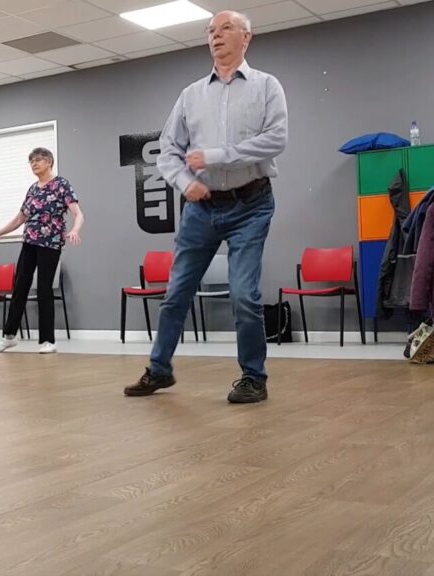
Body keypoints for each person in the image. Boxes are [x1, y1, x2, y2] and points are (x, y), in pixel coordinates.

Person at [124, 10, 288, 404]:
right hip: (201, 209)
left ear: (246, 38)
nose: (216, 36)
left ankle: (254, 377)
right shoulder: (190, 95)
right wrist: (185, 182)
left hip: (252, 204)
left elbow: (276, 139)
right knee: (176, 293)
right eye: (210, 31)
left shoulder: (267, 86)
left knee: (243, 295)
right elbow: (167, 151)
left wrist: (216, 155)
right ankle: (159, 370)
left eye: (225, 28)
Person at [0, 147, 84, 354]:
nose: (34, 164)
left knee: (44, 289)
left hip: (50, 243)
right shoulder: (33, 189)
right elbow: (19, 219)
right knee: (20, 287)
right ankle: (9, 336)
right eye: (31, 161)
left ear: (49, 162)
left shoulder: (61, 185)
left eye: (38, 160)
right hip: (29, 242)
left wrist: (74, 230)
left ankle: (48, 341)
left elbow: (78, 214)